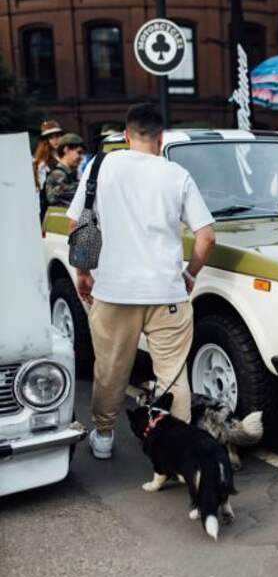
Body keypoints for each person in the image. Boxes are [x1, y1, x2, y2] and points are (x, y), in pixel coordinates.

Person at [66, 102, 215, 460]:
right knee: (172, 375)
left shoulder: (100, 166)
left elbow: (78, 224)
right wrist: (190, 273)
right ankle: (181, 448)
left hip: (114, 290)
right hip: (167, 292)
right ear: (161, 137)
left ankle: (104, 436)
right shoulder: (177, 174)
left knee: (111, 371)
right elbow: (207, 236)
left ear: (126, 135)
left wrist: (83, 274)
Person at [33, 119, 62, 220]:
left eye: (57, 136)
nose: (55, 140)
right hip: (50, 208)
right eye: (51, 137)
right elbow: (41, 190)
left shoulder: (63, 155)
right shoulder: (42, 163)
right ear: (46, 140)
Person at [45, 133, 85, 206]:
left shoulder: (70, 173)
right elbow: (55, 197)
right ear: (66, 149)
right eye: (79, 152)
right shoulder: (58, 174)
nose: (81, 157)